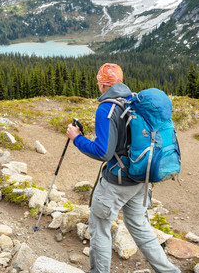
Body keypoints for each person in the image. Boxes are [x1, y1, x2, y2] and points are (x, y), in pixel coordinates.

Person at [66, 63, 180, 273]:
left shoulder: (106, 108)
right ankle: (170, 271)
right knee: (139, 226)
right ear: (120, 80)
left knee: (100, 229)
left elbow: (103, 152)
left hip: (116, 183)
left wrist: (77, 138)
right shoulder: (133, 100)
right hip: (139, 178)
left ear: (102, 83)